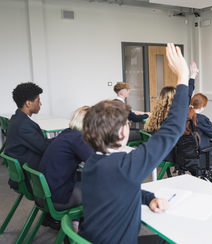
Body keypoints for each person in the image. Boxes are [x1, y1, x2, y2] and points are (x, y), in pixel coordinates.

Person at [79, 43, 190, 244]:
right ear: (123, 131)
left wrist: (149, 198)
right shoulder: (124, 166)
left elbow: (121, 188)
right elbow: (172, 129)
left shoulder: (92, 164)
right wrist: (183, 78)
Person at [37, 106, 94, 233]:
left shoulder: (68, 133)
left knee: (86, 178)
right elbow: (95, 161)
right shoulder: (78, 138)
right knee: (97, 189)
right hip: (55, 197)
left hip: (44, 192)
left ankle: (75, 225)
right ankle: (82, 229)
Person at [143, 62, 198, 162]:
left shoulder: (156, 114)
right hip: (168, 155)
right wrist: (192, 77)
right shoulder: (174, 116)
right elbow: (187, 96)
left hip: (155, 153)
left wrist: (192, 76)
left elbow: (187, 96)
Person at [5, 82, 53, 192]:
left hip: (24, 172)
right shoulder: (24, 125)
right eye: (38, 100)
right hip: (32, 179)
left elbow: (40, 143)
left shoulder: (16, 119)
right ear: (28, 103)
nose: (40, 104)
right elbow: (44, 148)